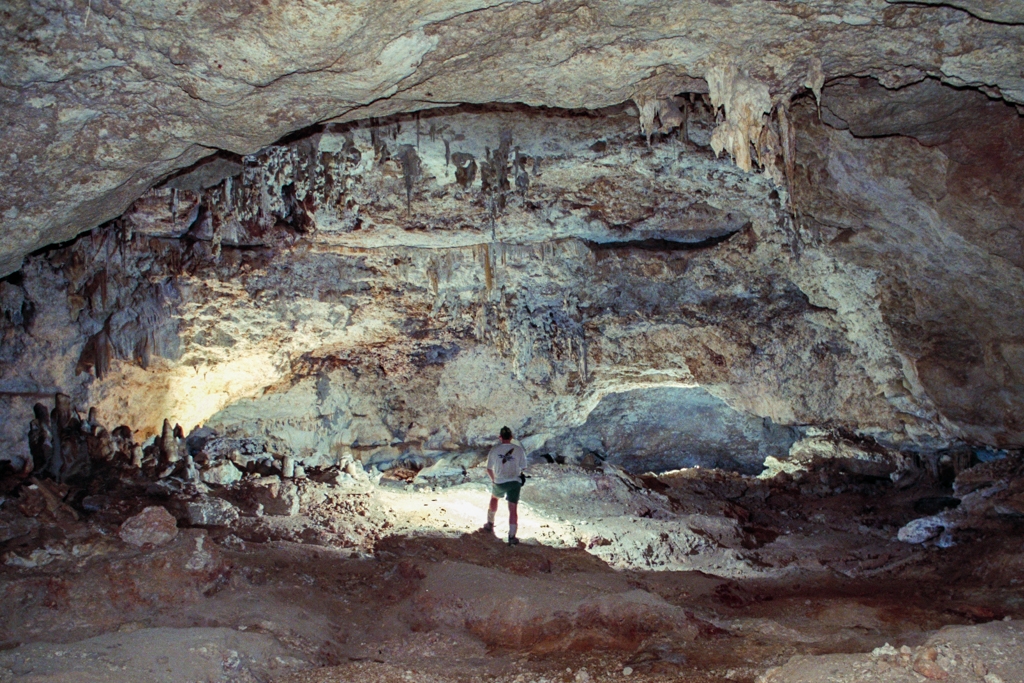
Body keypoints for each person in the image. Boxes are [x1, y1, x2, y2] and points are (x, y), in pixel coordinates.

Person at [484, 426, 527, 546]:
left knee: (494, 498)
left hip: (500, 481)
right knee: (513, 509)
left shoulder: (494, 450)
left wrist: (494, 480)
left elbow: (488, 468)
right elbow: (523, 467)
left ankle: (490, 524)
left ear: (500, 437)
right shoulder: (518, 450)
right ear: (511, 437)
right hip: (514, 482)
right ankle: (512, 537)